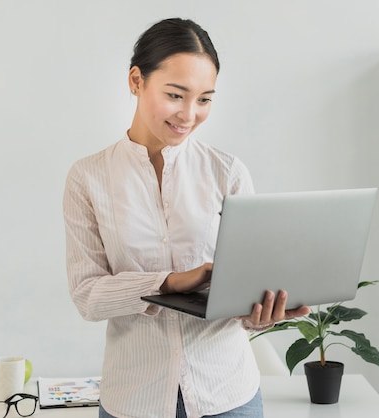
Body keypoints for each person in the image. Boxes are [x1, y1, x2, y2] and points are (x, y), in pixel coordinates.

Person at [63, 18, 310, 418]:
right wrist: (166, 283)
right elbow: (87, 296)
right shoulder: (88, 178)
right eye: (176, 95)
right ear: (136, 81)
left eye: (205, 99)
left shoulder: (227, 172)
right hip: (134, 398)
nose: (189, 114)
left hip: (227, 395)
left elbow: (247, 288)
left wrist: (260, 314)